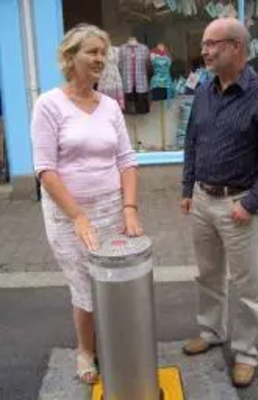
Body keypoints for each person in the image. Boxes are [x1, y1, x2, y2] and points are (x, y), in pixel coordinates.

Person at [31, 24, 142, 385]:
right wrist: (78, 215)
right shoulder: (49, 104)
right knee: (83, 285)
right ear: (70, 57)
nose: (99, 59)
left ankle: (113, 342)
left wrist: (129, 208)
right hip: (68, 216)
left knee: (114, 281)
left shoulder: (110, 105)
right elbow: (45, 169)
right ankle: (85, 350)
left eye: (102, 52)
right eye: (91, 52)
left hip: (111, 209)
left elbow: (126, 160)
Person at [181, 18, 258, 388]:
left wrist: (254, 202)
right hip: (202, 199)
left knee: (247, 285)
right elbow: (192, 140)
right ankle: (211, 331)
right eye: (205, 44)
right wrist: (185, 188)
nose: (205, 51)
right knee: (208, 275)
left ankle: (245, 352)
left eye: (213, 44)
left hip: (238, 204)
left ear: (236, 47)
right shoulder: (204, 91)